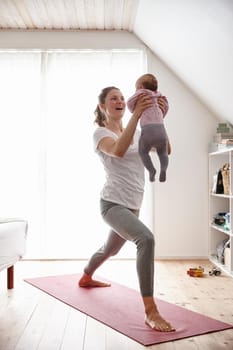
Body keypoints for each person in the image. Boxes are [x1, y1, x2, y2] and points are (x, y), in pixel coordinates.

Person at [78, 86, 175, 332]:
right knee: (146, 239)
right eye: (114, 98)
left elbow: (166, 149)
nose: (120, 101)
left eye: (122, 98)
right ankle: (151, 312)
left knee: (109, 250)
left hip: (133, 206)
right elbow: (118, 151)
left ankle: (86, 276)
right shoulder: (99, 133)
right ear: (103, 106)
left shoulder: (137, 131)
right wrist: (136, 115)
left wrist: (157, 119)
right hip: (112, 204)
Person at [127, 73, 170, 182]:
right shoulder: (160, 95)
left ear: (141, 87)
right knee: (163, 153)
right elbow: (166, 106)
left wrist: (134, 110)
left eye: (136, 88)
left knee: (143, 152)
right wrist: (162, 114)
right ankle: (163, 169)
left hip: (148, 131)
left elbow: (129, 103)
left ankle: (151, 170)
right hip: (161, 130)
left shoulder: (141, 93)